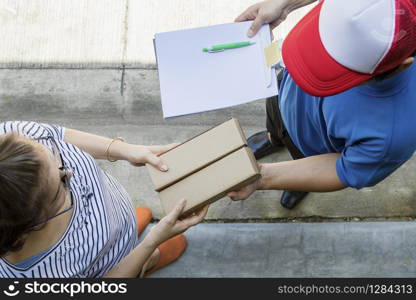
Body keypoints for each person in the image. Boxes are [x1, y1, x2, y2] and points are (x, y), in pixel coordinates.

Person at [228, 0, 416, 208]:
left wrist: (263, 177)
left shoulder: (394, 134)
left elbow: (342, 168)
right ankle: (274, 137)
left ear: (402, 65)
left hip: (315, 146)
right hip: (286, 91)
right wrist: (284, 5)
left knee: (299, 155)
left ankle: (298, 183)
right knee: (275, 118)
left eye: (339, 66)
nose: (309, 65)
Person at [0, 121, 208, 278]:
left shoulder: (9, 143)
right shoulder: (44, 275)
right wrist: (153, 241)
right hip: (110, 266)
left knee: (119, 229)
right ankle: (148, 261)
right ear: (33, 221)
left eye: (53, 152)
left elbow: (57, 135)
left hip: (114, 216)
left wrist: (126, 150)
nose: (70, 171)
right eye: (61, 183)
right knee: (137, 264)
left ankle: (126, 231)